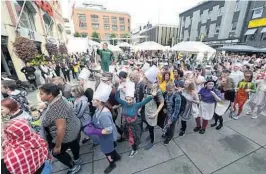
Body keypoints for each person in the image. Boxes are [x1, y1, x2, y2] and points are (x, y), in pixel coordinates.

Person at [39, 83, 82, 174]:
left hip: (68, 133)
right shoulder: (59, 97)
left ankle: (73, 166)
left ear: (50, 94)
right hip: (74, 127)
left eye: (41, 94)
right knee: (74, 144)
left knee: (57, 153)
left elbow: (61, 128)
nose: (40, 96)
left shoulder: (57, 107)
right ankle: (77, 159)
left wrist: (57, 146)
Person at [85, 82, 120, 173]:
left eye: (93, 100)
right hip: (105, 137)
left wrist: (94, 131)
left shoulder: (104, 113)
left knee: (107, 152)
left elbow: (108, 130)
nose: (91, 101)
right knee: (110, 149)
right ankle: (116, 157)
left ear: (99, 101)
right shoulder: (98, 109)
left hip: (107, 137)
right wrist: (91, 123)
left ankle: (112, 164)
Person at [115, 81, 155, 157]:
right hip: (126, 124)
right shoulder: (124, 103)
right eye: (127, 99)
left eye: (130, 100)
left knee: (134, 138)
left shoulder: (136, 105)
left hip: (135, 125)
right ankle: (134, 147)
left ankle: (134, 149)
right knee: (129, 137)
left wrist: (152, 96)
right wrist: (118, 89)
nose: (128, 101)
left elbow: (145, 101)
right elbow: (117, 98)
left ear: (133, 99)